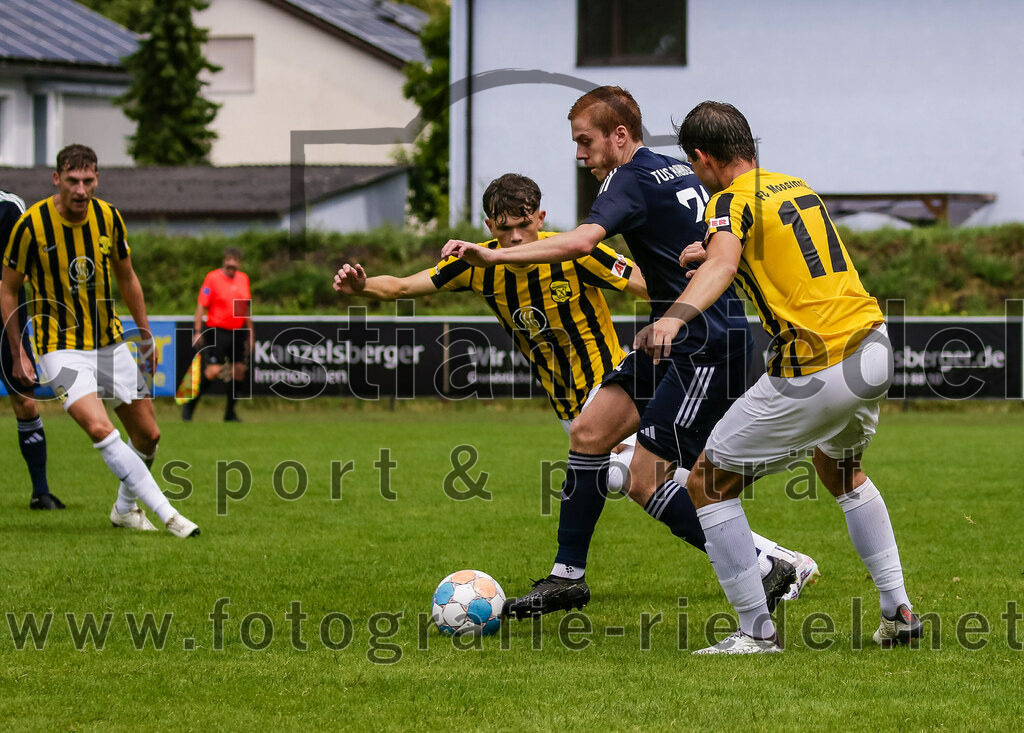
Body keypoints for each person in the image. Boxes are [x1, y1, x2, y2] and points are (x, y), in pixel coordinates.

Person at [440, 150, 817, 617]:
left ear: (539, 217)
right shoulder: (482, 263)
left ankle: (770, 563)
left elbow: (633, 272)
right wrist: (362, 286)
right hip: (580, 397)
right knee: (625, 460)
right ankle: (770, 562)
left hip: (642, 365)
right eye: (503, 229)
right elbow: (400, 286)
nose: (579, 153)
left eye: (585, 141)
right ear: (489, 225)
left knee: (638, 476)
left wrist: (684, 303)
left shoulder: (597, 226)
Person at [650, 101, 922, 654]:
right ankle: (899, 611)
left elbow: (726, 264)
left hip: (817, 364)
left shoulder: (726, 200)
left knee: (705, 483)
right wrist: (709, 248)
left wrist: (674, 316)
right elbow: (773, 245)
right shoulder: (793, 185)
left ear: (702, 159)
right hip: (873, 348)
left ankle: (756, 632)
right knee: (840, 469)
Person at [1, 144, 199, 538]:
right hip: (59, 347)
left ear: (97, 180)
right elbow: (7, 289)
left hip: (109, 343)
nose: (80, 189)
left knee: (149, 435)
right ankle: (169, 514)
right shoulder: (31, 225)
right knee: (98, 427)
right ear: (57, 180)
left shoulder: (109, 218)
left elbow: (127, 278)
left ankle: (124, 509)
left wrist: (144, 335)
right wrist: (17, 348)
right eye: (72, 180)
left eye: (88, 180)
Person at [1, 189, 63, 510]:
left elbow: (24, 271)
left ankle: (41, 492)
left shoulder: (10, 209)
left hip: (7, 323)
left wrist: (19, 351)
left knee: (25, 402)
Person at [181, 247, 253, 422]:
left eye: (235, 260)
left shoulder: (243, 279)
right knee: (213, 371)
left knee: (239, 371)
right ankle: (189, 405)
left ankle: (230, 413)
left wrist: (250, 332)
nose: (231, 263)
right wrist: (197, 330)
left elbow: (245, 308)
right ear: (224, 260)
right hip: (217, 330)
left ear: (239, 263)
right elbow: (201, 305)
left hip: (237, 331)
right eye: (229, 259)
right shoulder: (212, 278)